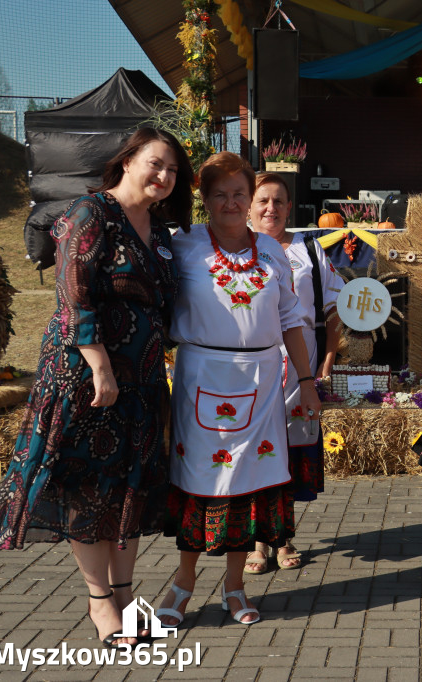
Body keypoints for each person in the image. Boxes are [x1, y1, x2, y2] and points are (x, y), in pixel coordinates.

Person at [0, 127, 193, 647]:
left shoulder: (160, 232)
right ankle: (101, 605)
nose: (164, 177)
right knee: (88, 486)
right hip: (86, 376)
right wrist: (100, 365)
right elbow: (73, 295)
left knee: (130, 486)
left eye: (172, 171)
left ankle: (124, 597)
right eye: (156, 164)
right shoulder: (89, 213)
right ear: (126, 161)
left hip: (142, 380)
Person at [157, 152, 322, 627]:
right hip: (200, 376)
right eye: (220, 194)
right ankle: (183, 585)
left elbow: (292, 317)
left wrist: (307, 381)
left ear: (250, 200)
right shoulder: (183, 245)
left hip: (264, 380)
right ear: (204, 199)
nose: (231, 202)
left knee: (248, 484)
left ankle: (235, 587)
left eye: (239, 194)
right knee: (199, 482)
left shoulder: (271, 251)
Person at [244, 172, 341, 574]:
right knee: (253, 453)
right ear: (249, 206)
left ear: (290, 207)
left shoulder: (309, 251)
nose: (271, 209)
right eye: (263, 201)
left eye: (279, 201)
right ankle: (256, 542)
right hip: (250, 370)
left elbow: (334, 313)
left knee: (287, 454)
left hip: (299, 367)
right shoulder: (237, 249)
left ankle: (283, 538)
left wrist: (324, 367)